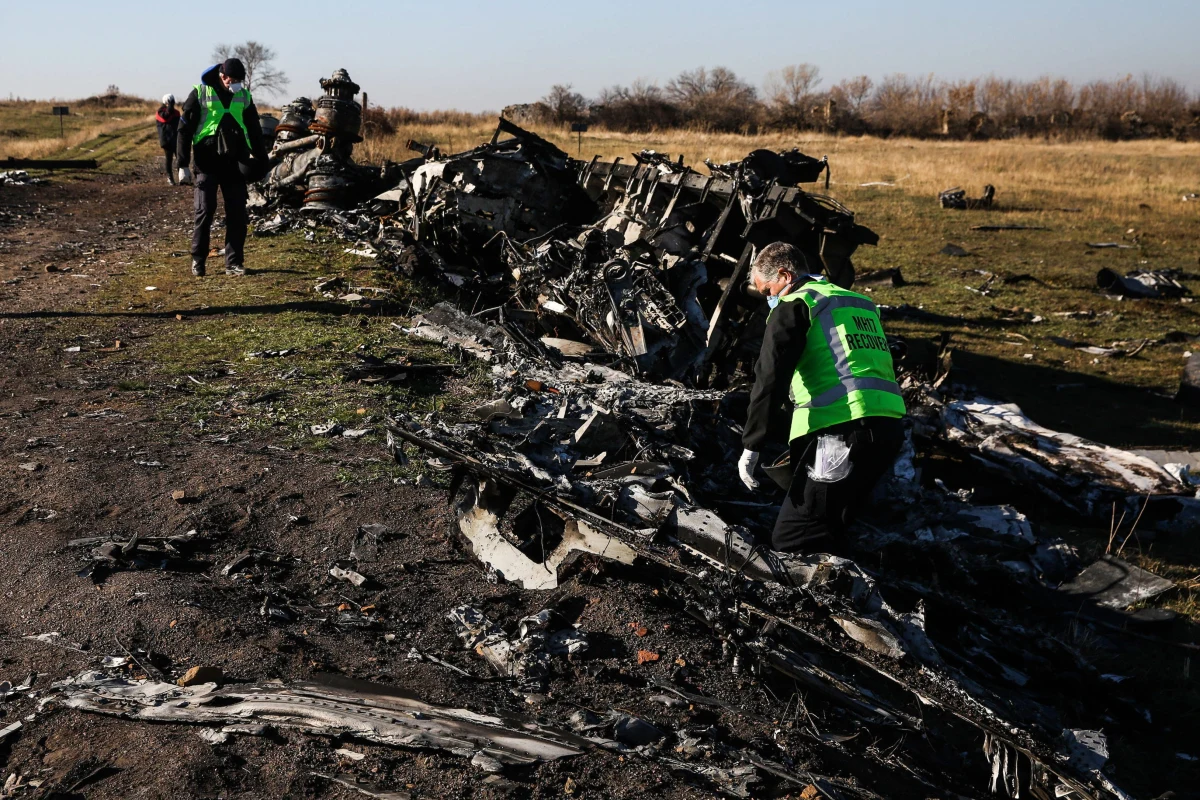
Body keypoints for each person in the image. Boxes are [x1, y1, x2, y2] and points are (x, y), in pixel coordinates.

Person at [738, 242, 906, 553]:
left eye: (767, 291)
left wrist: (752, 445)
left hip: (839, 436)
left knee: (792, 539)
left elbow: (769, 378)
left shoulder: (797, 304)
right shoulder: (858, 302)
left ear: (786, 276)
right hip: (887, 433)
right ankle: (839, 593)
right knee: (831, 529)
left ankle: (798, 599)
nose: (768, 299)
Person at [176, 58, 268, 277]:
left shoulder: (244, 96)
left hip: (235, 162)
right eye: (232, 79)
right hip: (206, 161)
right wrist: (182, 165)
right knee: (205, 210)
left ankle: (234, 263)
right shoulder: (200, 93)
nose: (235, 84)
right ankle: (198, 260)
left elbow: (255, 130)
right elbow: (184, 129)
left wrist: (263, 163)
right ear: (222, 76)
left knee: (237, 213)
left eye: (239, 80)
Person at [155, 95, 181, 185]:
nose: (172, 104)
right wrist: (169, 107)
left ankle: (182, 177)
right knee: (169, 159)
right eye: (171, 102)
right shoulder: (160, 112)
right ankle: (170, 178)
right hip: (166, 140)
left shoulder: (176, 113)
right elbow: (165, 117)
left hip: (176, 139)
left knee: (179, 158)